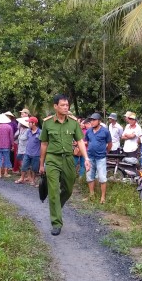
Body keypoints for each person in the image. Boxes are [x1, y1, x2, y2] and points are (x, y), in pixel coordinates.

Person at [39, 94, 90, 236]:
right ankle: (56, 222)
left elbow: (80, 141)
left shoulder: (73, 122)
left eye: (67, 105)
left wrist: (86, 158)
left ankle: (57, 207)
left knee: (68, 189)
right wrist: (41, 164)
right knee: (53, 191)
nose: (66, 107)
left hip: (68, 159)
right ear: (55, 107)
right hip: (52, 159)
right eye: (62, 105)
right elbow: (43, 144)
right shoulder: (47, 123)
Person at [84, 113, 112, 203]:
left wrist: (106, 151)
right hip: (90, 157)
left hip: (101, 158)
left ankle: (103, 197)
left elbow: (110, 144)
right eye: (91, 120)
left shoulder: (105, 131)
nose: (92, 122)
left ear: (99, 121)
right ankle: (92, 195)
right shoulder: (89, 131)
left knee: (102, 178)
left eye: (94, 120)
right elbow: (87, 142)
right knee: (89, 177)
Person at [0, 113, 14, 178]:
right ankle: (6, 173)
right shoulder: (9, 127)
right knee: (6, 158)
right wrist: (12, 145)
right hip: (7, 145)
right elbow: (11, 137)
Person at [22, 117, 42, 186]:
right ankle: (22, 178)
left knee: (34, 168)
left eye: (29, 122)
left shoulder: (40, 132)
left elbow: (43, 143)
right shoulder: (28, 131)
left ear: (34, 123)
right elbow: (24, 138)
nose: (28, 124)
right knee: (24, 166)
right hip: (27, 152)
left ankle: (33, 180)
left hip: (36, 153)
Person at [14, 117, 29, 183]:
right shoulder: (21, 129)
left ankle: (26, 177)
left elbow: (25, 138)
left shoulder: (28, 130)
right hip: (20, 148)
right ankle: (24, 176)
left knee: (25, 163)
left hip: (26, 149)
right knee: (21, 161)